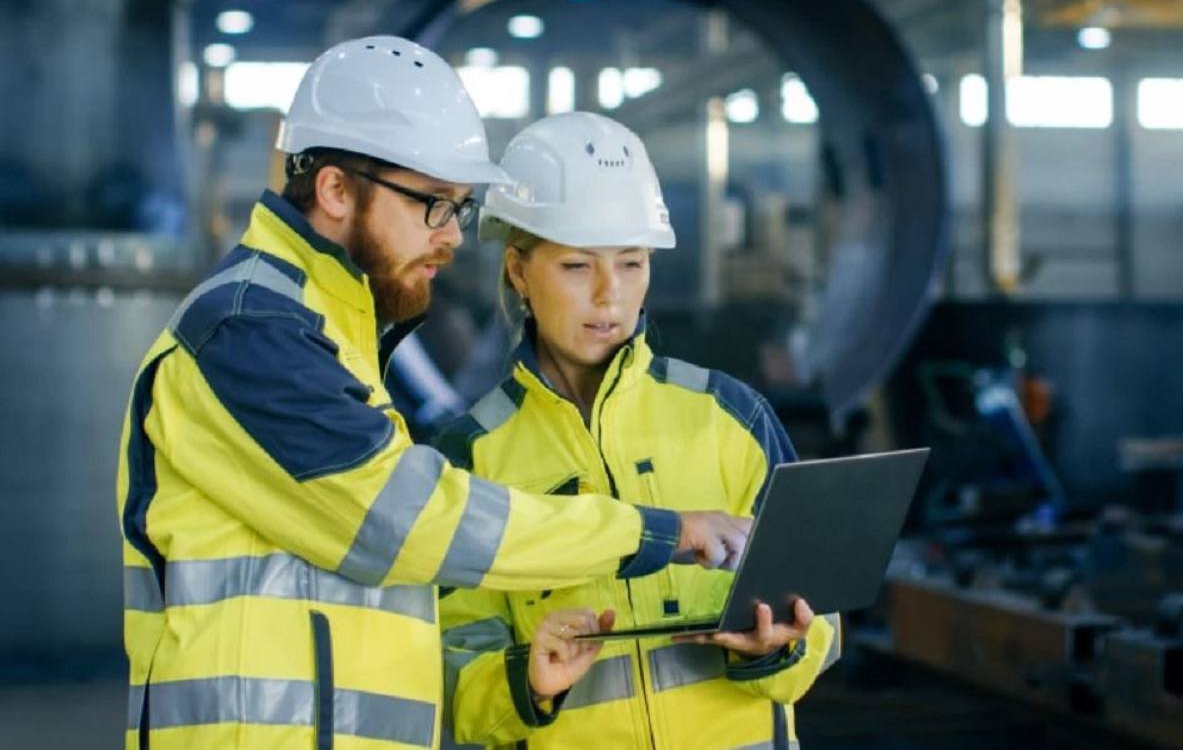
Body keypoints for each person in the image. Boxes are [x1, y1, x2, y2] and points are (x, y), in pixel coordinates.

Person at [115, 37, 749, 750]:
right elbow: (405, 520)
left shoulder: (329, 330)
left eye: (459, 209)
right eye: (433, 204)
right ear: (334, 189)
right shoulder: (248, 330)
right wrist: (652, 532)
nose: (450, 237)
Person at [434, 112, 841, 749]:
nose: (610, 296)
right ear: (518, 271)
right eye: (576, 266)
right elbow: (452, 678)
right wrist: (528, 683)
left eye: (631, 263)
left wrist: (776, 646)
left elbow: (823, 617)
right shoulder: (469, 459)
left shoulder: (731, 417)